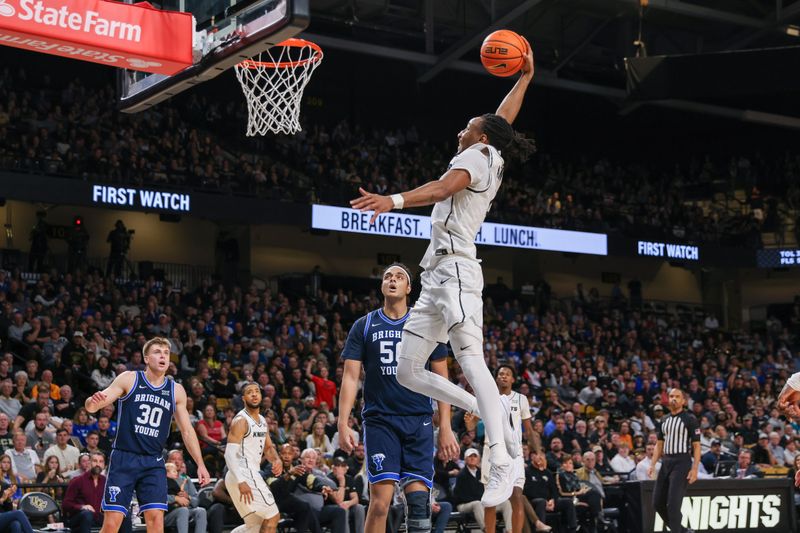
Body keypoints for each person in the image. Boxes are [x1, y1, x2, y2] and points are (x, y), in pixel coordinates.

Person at [352, 41, 537, 508]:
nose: (463, 128)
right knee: (407, 369)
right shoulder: (490, 149)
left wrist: (391, 201)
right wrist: (524, 78)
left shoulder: (474, 158)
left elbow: (441, 187)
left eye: (469, 126)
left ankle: (499, 458)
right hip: (436, 276)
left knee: (471, 360)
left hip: (455, 269)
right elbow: (503, 120)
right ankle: (482, 408)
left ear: (481, 139)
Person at [338, 263, 457, 533]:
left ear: (409, 288)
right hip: (381, 421)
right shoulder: (364, 325)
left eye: (399, 277)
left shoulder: (427, 325)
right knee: (380, 504)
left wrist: (446, 427)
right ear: (382, 286)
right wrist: (343, 423)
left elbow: (441, 380)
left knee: (418, 504)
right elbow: (350, 377)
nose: (393, 280)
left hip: (418, 421)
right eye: (387, 277)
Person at [85, 337, 210, 533]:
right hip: (125, 458)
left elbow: (187, 431)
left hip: (153, 461)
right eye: (157, 351)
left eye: (166, 353)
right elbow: (96, 404)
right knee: (111, 524)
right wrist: (91, 402)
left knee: (156, 522)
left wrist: (200, 464)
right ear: (146, 358)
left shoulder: (176, 391)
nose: (163, 356)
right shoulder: (129, 378)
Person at [477, 364, 539, 533]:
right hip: (492, 451)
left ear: (512, 379)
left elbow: (529, 429)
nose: (503, 376)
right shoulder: (487, 398)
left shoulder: (521, 399)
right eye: (500, 374)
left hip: (514, 453)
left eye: (507, 374)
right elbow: (471, 425)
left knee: (517, 497)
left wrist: (539, 452)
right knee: (490, 502)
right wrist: (470, 421)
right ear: (496, 378)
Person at [224, 382, 282, 533]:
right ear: (243, 398)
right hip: (242, 474)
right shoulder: (241, 421)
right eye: (250, 392)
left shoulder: (262, 420)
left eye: (257, 391)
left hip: (247, 474)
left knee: (255, 526)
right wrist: (241, 481)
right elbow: (229, 454)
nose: (254, 394)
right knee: (273, 516)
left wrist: (276, 459)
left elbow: (268, 448)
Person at [649, 388, 701, 533]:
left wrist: (695, 468)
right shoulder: (664, 420)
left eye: (677, 397)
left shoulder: (690, 419)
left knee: (673, 505)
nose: (674, 399)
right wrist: (652, 464)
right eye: (671, 396)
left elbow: (696, 446)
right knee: (657, 503)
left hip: (682, 461)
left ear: (683, 401)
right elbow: (659, 445)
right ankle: (682, 530)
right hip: (666, 462)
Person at [62, 451, 108, 533]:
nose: (98, 464)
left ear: (104, 465)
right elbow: (66, 504)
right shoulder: (78, 480)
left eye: (101, 461)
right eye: (95, 461)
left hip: (99, 518)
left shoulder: (106, 481)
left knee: (124, 516)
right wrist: (82, 507)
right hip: (79, 518)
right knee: (87, 514)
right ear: (89, 463)